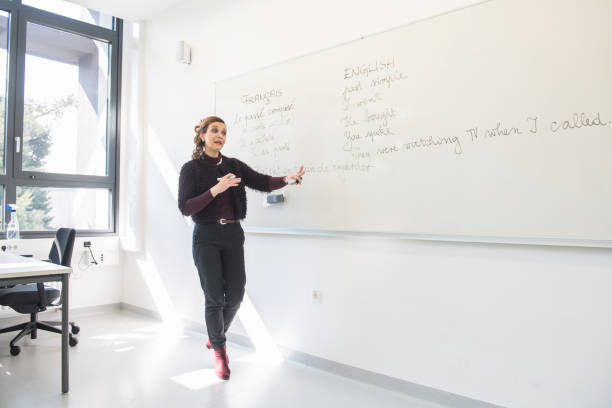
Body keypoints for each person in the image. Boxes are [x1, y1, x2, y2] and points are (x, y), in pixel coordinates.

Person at [178, 116, 304, 380]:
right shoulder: (191, 169)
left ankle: (215, 334)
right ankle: (220, 354)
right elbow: (186, 207)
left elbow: (261, 181)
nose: (219, 135)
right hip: (206, 236)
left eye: (223, 132)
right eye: (214, 131)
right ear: (202, 135)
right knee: (213, 296)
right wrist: (217, 188)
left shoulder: (234, 165)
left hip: (233, 234)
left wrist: (288, 180)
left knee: (235, 294)